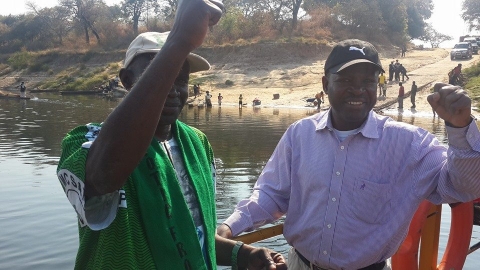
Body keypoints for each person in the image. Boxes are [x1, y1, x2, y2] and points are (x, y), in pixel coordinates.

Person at [56, 1, 286, 270]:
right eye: (161, 76)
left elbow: (193, 236)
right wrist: (179, 42)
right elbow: (103, 176)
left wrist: (243, 254)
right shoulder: (84, 143)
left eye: (180, 79)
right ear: (127, 79)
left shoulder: (198, 144)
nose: (173, 90)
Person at [217, 39, 480, 270]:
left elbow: (461, 188)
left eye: (367, 81)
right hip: (299, 264)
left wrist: (459, 129)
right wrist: (230, 227)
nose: (358, 90)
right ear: (325, 83)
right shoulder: (300, 134)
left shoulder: (410, 143)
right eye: (345, 80)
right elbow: (271, 194)